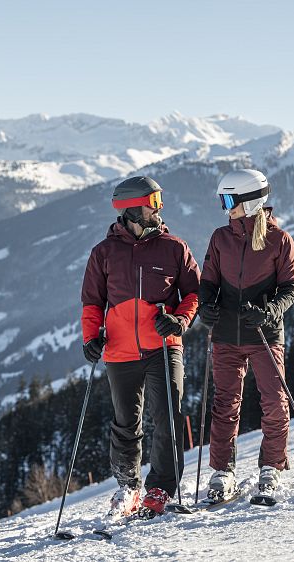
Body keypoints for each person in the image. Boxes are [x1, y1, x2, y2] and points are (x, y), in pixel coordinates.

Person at [81, 176, 200, 518]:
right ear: (131, 208)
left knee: (168, 419)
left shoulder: (174, 247)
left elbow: (193, 293)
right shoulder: (104, 253)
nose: (159, 208)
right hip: (119, 352)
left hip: (164, 346)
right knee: (125, 423)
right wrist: (91, 338)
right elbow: (92, 302)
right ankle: (128, 487)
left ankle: (160, 487)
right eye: (153, 202)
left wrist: (179, 320)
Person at [197, 168, 294, 501]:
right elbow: (209, 281)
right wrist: (205, 306)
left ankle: (271, 468)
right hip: (226, 333)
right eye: (223, 200)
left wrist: (269, 310)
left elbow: (290, 289)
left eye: (230, 200)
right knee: (225, 404)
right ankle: (222, 472)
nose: (226, 208)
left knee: (274, 401)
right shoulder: (220, 238)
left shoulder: (279, 240)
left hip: (265, 335)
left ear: (251, 201)